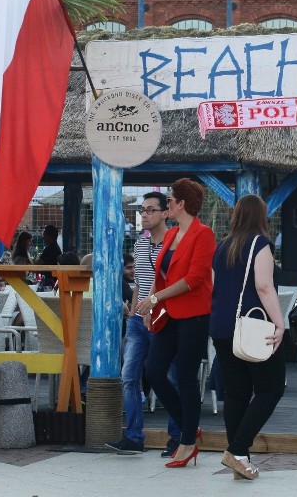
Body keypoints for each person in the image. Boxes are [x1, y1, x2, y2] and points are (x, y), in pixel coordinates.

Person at [135, 179, 215, 468]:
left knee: (185, 377)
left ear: (181, 204)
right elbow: (161, 275)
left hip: (194, 316)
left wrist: (155, 299)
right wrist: (150, 307)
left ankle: (187, 442)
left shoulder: (203, 234)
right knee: (153, 371)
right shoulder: (170, 237)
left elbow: (195, 279)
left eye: (169, 200)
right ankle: (189, 426)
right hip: (168, 315)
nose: (167, 203)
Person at [211, 195, 285, 480]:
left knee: (236, 393)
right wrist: (280, 324)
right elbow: (264, 287)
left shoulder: (222, 247)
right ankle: (238, 449)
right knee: (270, 389)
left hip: (221, 328)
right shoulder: (260, 244)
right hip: (253, 329)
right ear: (261, 216)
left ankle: (239, 459)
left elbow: (215, 287)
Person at [107, 191, 182, 457]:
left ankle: (177, 437)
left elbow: (172, 283)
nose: (145, 214)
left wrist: (152, 306)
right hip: (140, 319)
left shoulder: (175, 243)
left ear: (165, 213)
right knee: (129, 376)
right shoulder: (140, 244)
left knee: (170, 378)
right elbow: (139, 281)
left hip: (165, 318)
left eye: (151, 210)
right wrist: (134, 315)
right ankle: (133, 436)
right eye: (142, 210)